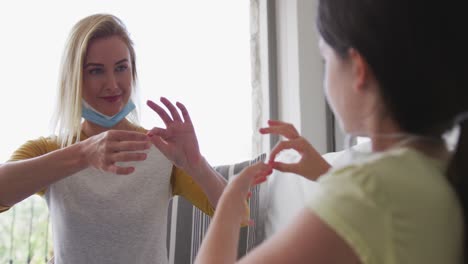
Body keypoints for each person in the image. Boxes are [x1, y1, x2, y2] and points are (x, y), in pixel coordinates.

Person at [194, 0, 468, 263]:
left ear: (358, 69)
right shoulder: (442, 166)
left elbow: (375, 206)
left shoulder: (372, 191)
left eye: (325, 58)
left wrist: (228, 205)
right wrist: (327, 174)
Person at [0, 13, 230, 264]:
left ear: (133, 71)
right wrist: (84, 153)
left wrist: (196, 165)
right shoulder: (50, 149)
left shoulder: (162, 149)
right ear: (75, 78)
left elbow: (237, 215)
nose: (112, 84)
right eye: (96, 71)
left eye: (121, 68)